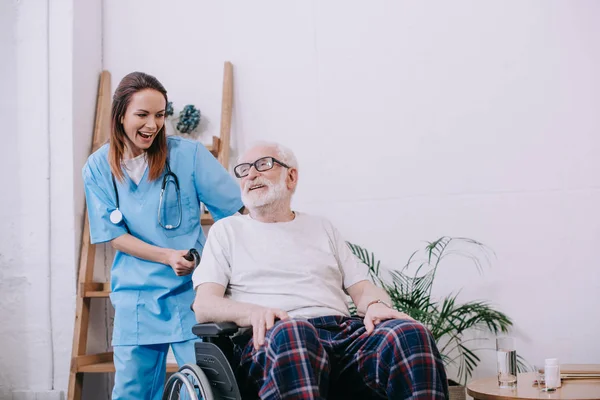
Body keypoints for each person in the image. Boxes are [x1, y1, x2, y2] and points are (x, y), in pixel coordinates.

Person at [192, 142, 449, 399]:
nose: (251, 175)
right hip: (276, 338)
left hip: (342, 334)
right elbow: (204, 305)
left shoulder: (322, 227)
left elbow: (361, 287)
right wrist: (253, 312)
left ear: (291, 176)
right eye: (244, 169)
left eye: (263, 165)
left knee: (409, 334)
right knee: (294, 332)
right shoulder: (227, 231)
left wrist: (375, 304)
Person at [82, 71, 244, 400]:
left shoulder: (190, 156)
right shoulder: (98, 167)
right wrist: (168, 256)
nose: (152, 125)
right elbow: (114, 236)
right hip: (136, 295)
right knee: (132, 392)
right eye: (142, 115)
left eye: (159, 115)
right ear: (120, 115)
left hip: (193, 292)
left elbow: (236, 216)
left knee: (204, 390)